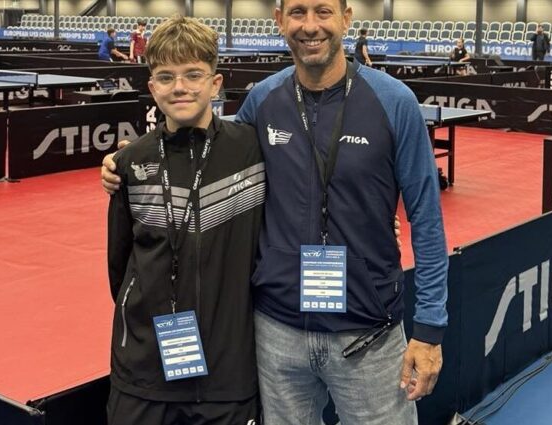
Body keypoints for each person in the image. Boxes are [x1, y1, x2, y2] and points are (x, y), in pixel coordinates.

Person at [102, 0, 448, 421]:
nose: (310, 26)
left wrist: (430, 329)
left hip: (368, 331)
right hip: (276, 333)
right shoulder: (263, 101)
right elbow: (206, 148)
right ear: (280, 21)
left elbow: (426, 218)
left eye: (323, 11)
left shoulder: (394, 102)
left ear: (346, 19)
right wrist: (132, 159)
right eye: (298, 12)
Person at [105, 15, 263, 425]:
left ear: (215, 82)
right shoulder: (130, 162)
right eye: (166, 76)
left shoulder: (252, 150)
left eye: (193, 74)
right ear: (152, 87)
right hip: (142, 373)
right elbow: (119, 265)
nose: (180, 87)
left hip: (228, 375)